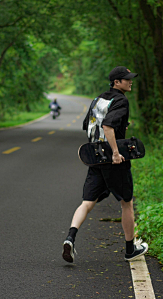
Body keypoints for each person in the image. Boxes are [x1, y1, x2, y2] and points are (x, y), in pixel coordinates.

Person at [62, 66, 148, 263]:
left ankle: (70, 238)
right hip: (113, 159)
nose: (130, 81)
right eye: (126, 79)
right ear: (117, 82)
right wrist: (116, 153)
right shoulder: (121, 101)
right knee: (126, 203)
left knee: (87, 202)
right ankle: (129, 250)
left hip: (95, 157)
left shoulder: (98, 99)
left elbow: (88, 125)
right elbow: (107, 126)